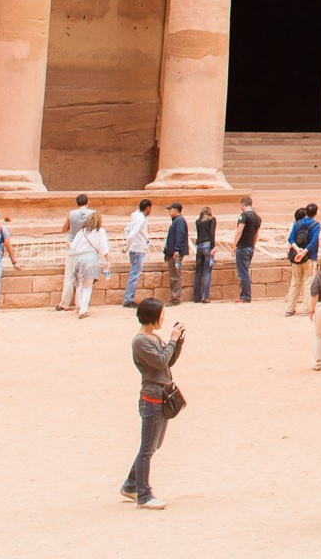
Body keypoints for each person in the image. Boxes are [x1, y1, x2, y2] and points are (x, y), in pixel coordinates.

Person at [122, 298, 183, 510]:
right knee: (147, 448)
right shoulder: (140, 341)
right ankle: (143, 494)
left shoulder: (152, 337)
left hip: (160, 396)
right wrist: (173, 340)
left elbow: (168, 360)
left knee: (152, 446)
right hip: (151, 399)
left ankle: (131, 484)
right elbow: (160, 362)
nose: (163, 319)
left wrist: (178, 341)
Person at [69, 210, 110, 317]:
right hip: (91, 259)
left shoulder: (81, 231)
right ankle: (83, 309)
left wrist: (68, 243)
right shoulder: (100, 231)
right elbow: (104, 248)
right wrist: (107, 260)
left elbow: (73, 247)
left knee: (80, 283)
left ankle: (79, 305)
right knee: (88, 285)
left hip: (79, 259)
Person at [57, 193, 92, 311]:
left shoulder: (71, 214)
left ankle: (64, 303)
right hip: (86, 248)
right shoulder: (93, 214)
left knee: (69, 276)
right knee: (82, 277)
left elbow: (63, 228)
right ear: (88, 202)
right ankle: (79, 304)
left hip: (72, 246)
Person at [285, 204, 320, 316]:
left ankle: (290, 308)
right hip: (309, 257)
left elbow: (291, 238)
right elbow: (314, 241)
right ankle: (306, 309)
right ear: (315, 213)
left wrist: (298, 251)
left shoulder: (297, 223)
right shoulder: (316, 225)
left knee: (295, 283)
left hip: (296, 257)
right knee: (308, 282)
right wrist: (304, 252)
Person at [123, 200, 153, 310]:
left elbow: (127, 230)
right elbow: (132, 234)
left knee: (134, 274)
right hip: (138, 249)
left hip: (136, 248)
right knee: (134, 275)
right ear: (148, 208)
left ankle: (129, 298)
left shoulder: (136, 217)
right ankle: (128, 299)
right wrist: (127, 247)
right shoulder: (140, 219)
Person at [233, 196, 261, 304]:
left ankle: (245, 296)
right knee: (245, 271)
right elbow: (256, 234)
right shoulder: (258, 217)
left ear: (243, 205)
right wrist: (253, 246)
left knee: (243, 273)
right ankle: (245, 295)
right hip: (250, 247)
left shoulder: (244, 216)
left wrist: (234, 245)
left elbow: (239, 230)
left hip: (243, 247)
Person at [162, 202, 189, 306]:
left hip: (175, 254)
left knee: (175, 276)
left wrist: (177, 250)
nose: (169, 212)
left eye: (170, 209)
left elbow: (180, 235)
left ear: (176, 210)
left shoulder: (179, 221)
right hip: (172, 253)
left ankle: (175, 299)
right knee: (173, 275)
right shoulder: (176, 221)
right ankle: (174, 298)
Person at [192, 206, 217, 304]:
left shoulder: (198, 221)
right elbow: (212, 233)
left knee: (198, 272)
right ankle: (205, 297)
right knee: (207, 272)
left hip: (199, 247)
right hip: (208, 245)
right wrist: (213, 247)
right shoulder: (212, 220)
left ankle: (196, 297)